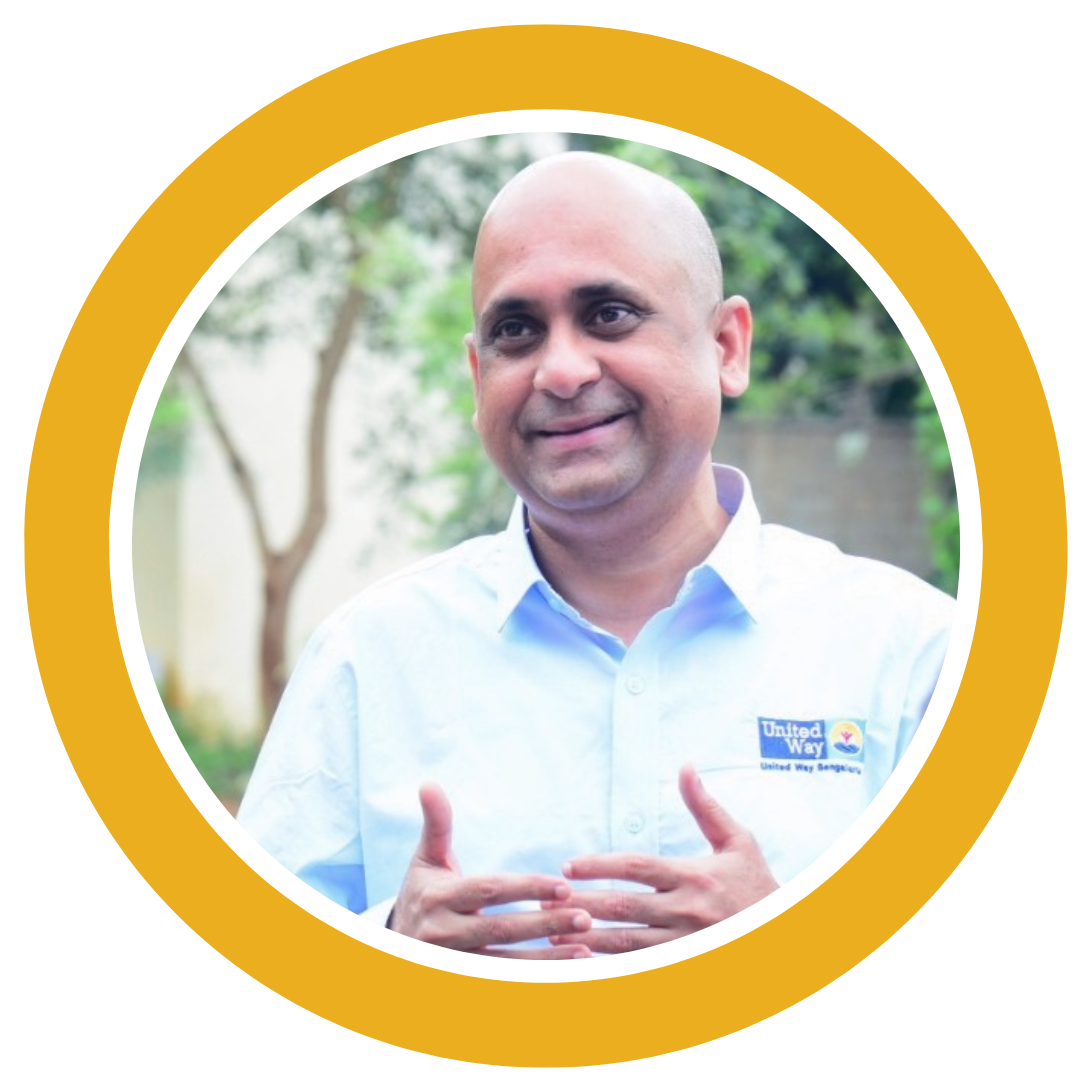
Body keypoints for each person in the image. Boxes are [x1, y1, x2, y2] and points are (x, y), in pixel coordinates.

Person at [237, 152, 956, 959]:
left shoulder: (910, 657)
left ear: (727, 346)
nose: (562, 370)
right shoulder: (366, 661)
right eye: (516, 332)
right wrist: (392, 947)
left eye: (610, 314)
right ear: (478, 376)